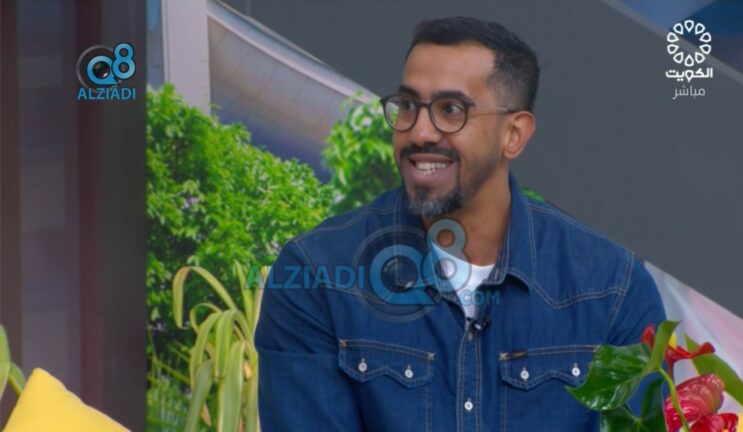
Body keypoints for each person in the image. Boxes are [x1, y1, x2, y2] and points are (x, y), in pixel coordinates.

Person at [255, 16, 666, 431]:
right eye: (408, 106)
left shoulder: (613, 288)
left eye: (450, 110)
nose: (419, 132)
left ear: (514, 134)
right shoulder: (317, 275)